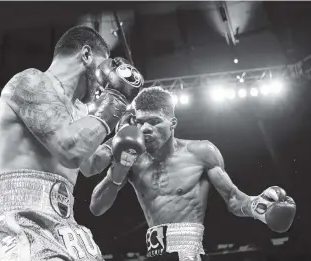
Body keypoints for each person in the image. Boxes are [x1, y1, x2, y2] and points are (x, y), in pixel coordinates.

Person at [0, 25, 144, 261]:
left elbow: (88, 165)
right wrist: (115, 101)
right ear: (86, 55)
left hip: (65, 227)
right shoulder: (31, 82)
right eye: (104, 65)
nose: (105, 81)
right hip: (20, 222)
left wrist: (116, 142)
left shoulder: (80, 110)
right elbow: (71, 150)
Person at [90, 87, 296, 261]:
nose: (145, 128)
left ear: (172, 123)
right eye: (141, 122)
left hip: (189, 253)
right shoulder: (132, 158)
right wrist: (120, 166)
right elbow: (96, 207)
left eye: (154, 122)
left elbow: (233, 199)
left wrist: (258, 207)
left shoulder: (201, 152)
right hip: (153, 254)